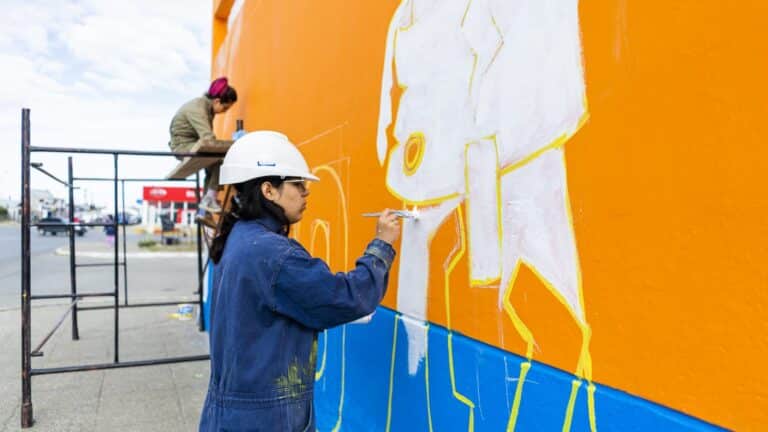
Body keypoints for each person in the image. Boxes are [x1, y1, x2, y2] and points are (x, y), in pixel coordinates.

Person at [198, 131, 400, 431]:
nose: (306, 193)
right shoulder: (274, 254)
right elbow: (346, 297)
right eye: (298, 184)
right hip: (264, 420)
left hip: (231, 413)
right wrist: (381, 245)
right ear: (269, 190)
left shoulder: (240, 237)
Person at [169, 76, 238, 214]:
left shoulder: (206, 107)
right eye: (225, 108)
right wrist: (235, 145)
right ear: (217, 101)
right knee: (219, 160)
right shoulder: (198, 108)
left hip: (189, 144)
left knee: (213, 165)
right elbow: (208, 139)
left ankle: (205, 206)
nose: (224, 111)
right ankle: (209, 198)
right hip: (182, 147)